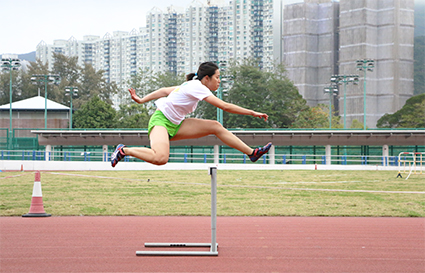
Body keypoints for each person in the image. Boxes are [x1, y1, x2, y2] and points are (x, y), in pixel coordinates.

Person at [111, 61, 272, 167]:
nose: (219, 81)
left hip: (177, 123)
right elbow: (224, 106)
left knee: (215, 126)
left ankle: (252, 153)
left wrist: (141, 100)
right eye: (217, 77)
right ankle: (124, 150)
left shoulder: (191, 85)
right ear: (207, 78)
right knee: (161, 158)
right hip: (161, 121)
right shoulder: (198, 87)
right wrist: (252, 113)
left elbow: (165, 90)